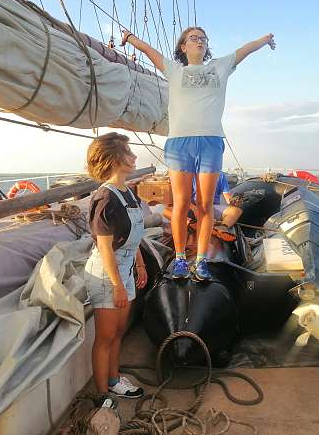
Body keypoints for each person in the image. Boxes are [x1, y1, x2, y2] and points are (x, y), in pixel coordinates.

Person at [122, 26, 275, 281]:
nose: (200, 41)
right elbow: (149, 50)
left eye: (203, 39)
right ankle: (181, 259)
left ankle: (201, 260)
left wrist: (264, 39)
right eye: (194, 38)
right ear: (183, 46)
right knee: (181, 203)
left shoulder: (219, 67)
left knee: (205, 205)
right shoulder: (174, 70)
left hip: (210, 141)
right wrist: (129, 38)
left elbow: (244, 50)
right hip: (181, 142)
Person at [84, 132, 147, 408]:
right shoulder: (105, 199)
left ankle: (114, 380)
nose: (134, 157)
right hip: (107, 274)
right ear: (114, 159)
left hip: (126, 269)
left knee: (119, 331)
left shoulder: (128, 193)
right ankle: (102, 396)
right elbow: (105, 248)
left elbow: (135, 235)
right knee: (106, 337)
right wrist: (118, 285)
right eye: (128, 152)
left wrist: (140, 264)